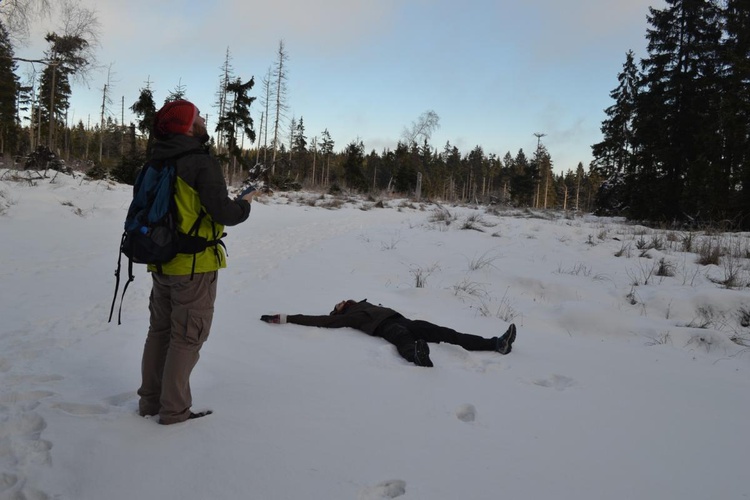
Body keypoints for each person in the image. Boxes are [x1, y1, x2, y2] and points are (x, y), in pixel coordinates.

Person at [137, 99, 258, 425]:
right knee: (187, 337)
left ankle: (149, 402)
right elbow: (224, 214)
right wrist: (244, 204)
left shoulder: (157, 160)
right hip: (194, 266)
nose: (203, 118)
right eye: (197, 115)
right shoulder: (199, 162)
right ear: (188, 126)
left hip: (161, 261)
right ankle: (174, 411)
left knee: (159, 331)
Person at [260, 299, 517, 367]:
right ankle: (417, 357)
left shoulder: (365, 303)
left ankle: (496, 344)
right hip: (386, 327)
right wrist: (285, 318)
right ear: (338, 311)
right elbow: (318, 320)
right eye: (337, 304)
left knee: (447, 333)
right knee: (403, 339)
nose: (341, 301)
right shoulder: (348, 317)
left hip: (404, 319)